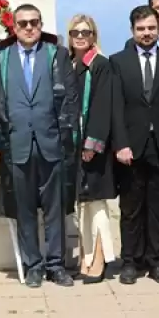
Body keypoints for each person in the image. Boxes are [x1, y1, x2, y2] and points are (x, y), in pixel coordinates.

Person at [0, 4, 80, 287]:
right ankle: (33, 265)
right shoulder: (0, 59)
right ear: (14, 27)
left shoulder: (55, 55)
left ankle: (56, 265)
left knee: (55, 207)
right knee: (23, 208)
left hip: (52, 143)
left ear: (41, 24)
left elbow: (70, 98)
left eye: (34, 22)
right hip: (15, 144)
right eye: (23, 23)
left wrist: (68, 138)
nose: (29, 28)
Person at [110, 5, 159, 285]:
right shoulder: (119, 61)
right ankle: (131, 261)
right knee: (131, 208)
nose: (147, 33)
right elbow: (115, 107)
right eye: (141, 29)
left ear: (158, 28)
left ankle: (157, 261)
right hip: (131, 146)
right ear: (132, 31)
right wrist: (121, 144)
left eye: (151, 28)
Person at [66, 14, 117, 284]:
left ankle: (100, 259)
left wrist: (92, 144)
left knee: (96, 205)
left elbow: (102, 106)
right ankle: (85, 259)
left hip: (93, 147)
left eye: (86, 31)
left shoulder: (100, 65)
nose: (81, 36)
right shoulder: (70, 64)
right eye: (76, 32)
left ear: (94, 35)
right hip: (73, 145)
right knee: (82, 206)